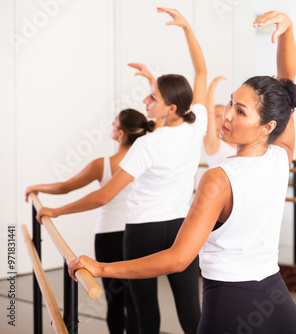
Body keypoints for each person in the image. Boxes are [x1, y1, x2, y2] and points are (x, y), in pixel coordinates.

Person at [67, 10, 296, 334]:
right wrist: (289, 28)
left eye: (240, 111)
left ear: (267, 126)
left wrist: (101, 268)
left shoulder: (219, 179)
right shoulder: (281, 155)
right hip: (276, 299)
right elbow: (287, 81)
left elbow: (179, 259)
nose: (226, 116)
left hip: (229, 301)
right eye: (230, 103)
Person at [35, 8, 207, 334]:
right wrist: (186, 29)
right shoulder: (195, 123)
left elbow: (103, 196)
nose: (145, 99)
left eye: (152, 96)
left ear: (170, 107)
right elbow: (201, 69)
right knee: (190, 310)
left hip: (143, 231)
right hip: (182, 228)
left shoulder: (147, 145)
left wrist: (56, 210)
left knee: (145, 314)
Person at [25, 108, 153, 334]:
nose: (111, 126)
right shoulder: (148, 162)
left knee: (115, 302)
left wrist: (38, 188)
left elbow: (65, 187)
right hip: (138, 235)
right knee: (135, 301)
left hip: (109, 237)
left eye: (114, 123)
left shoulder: (102, 164)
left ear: (121, 134)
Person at [204, 75, 237, 169]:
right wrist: (211, 87)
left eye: (224, 114)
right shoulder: (212, 143)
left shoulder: (237, 140)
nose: (223, 118)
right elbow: (209, 114)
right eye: (218, 115)